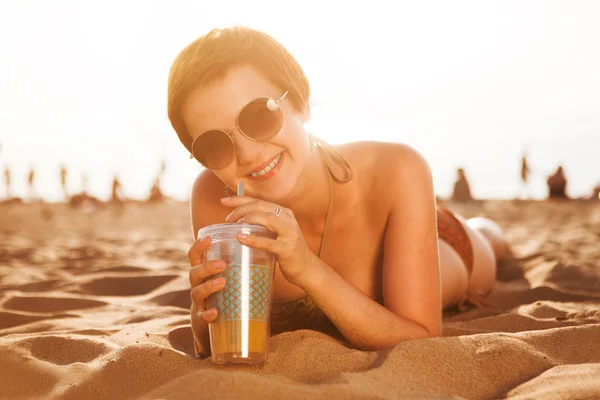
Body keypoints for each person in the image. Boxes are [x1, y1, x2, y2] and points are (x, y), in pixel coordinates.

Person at [168, 26, 507, 356]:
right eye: (214, 145)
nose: (248, 154)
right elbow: (217, 346)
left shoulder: (397, 167)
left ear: (301, 103)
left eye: (258, 116)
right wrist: (203, 315)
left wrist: (306, 268)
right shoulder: (214, 198)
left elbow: (421, 340)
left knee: (489, 238)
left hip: (450, 241)